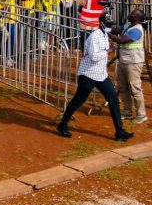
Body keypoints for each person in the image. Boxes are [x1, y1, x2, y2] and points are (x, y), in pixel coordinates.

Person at [57, 14, 134, 142]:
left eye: (111, 25)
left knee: (113, 100)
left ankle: (120, 131)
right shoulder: (94, 36)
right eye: (108, 25)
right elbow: (93, 56)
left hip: (101, 74)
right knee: (78, 100)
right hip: (88, 74)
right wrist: (109, 50)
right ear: (101, 23)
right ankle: (62, 124)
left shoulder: (105, 35)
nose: (110, 27)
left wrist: (110, 47)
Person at [108, 9, 147, 124]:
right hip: (123, 60)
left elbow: (121, 40)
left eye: (133, 14)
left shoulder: (137, 29)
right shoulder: (128, 25)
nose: (129, 14)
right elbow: (116, 30)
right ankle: (127, 111)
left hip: (133, 62)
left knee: (135, 88)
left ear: (137, 18)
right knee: (123, 87)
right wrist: (106, 28)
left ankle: (141, 114)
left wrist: (107, 34)